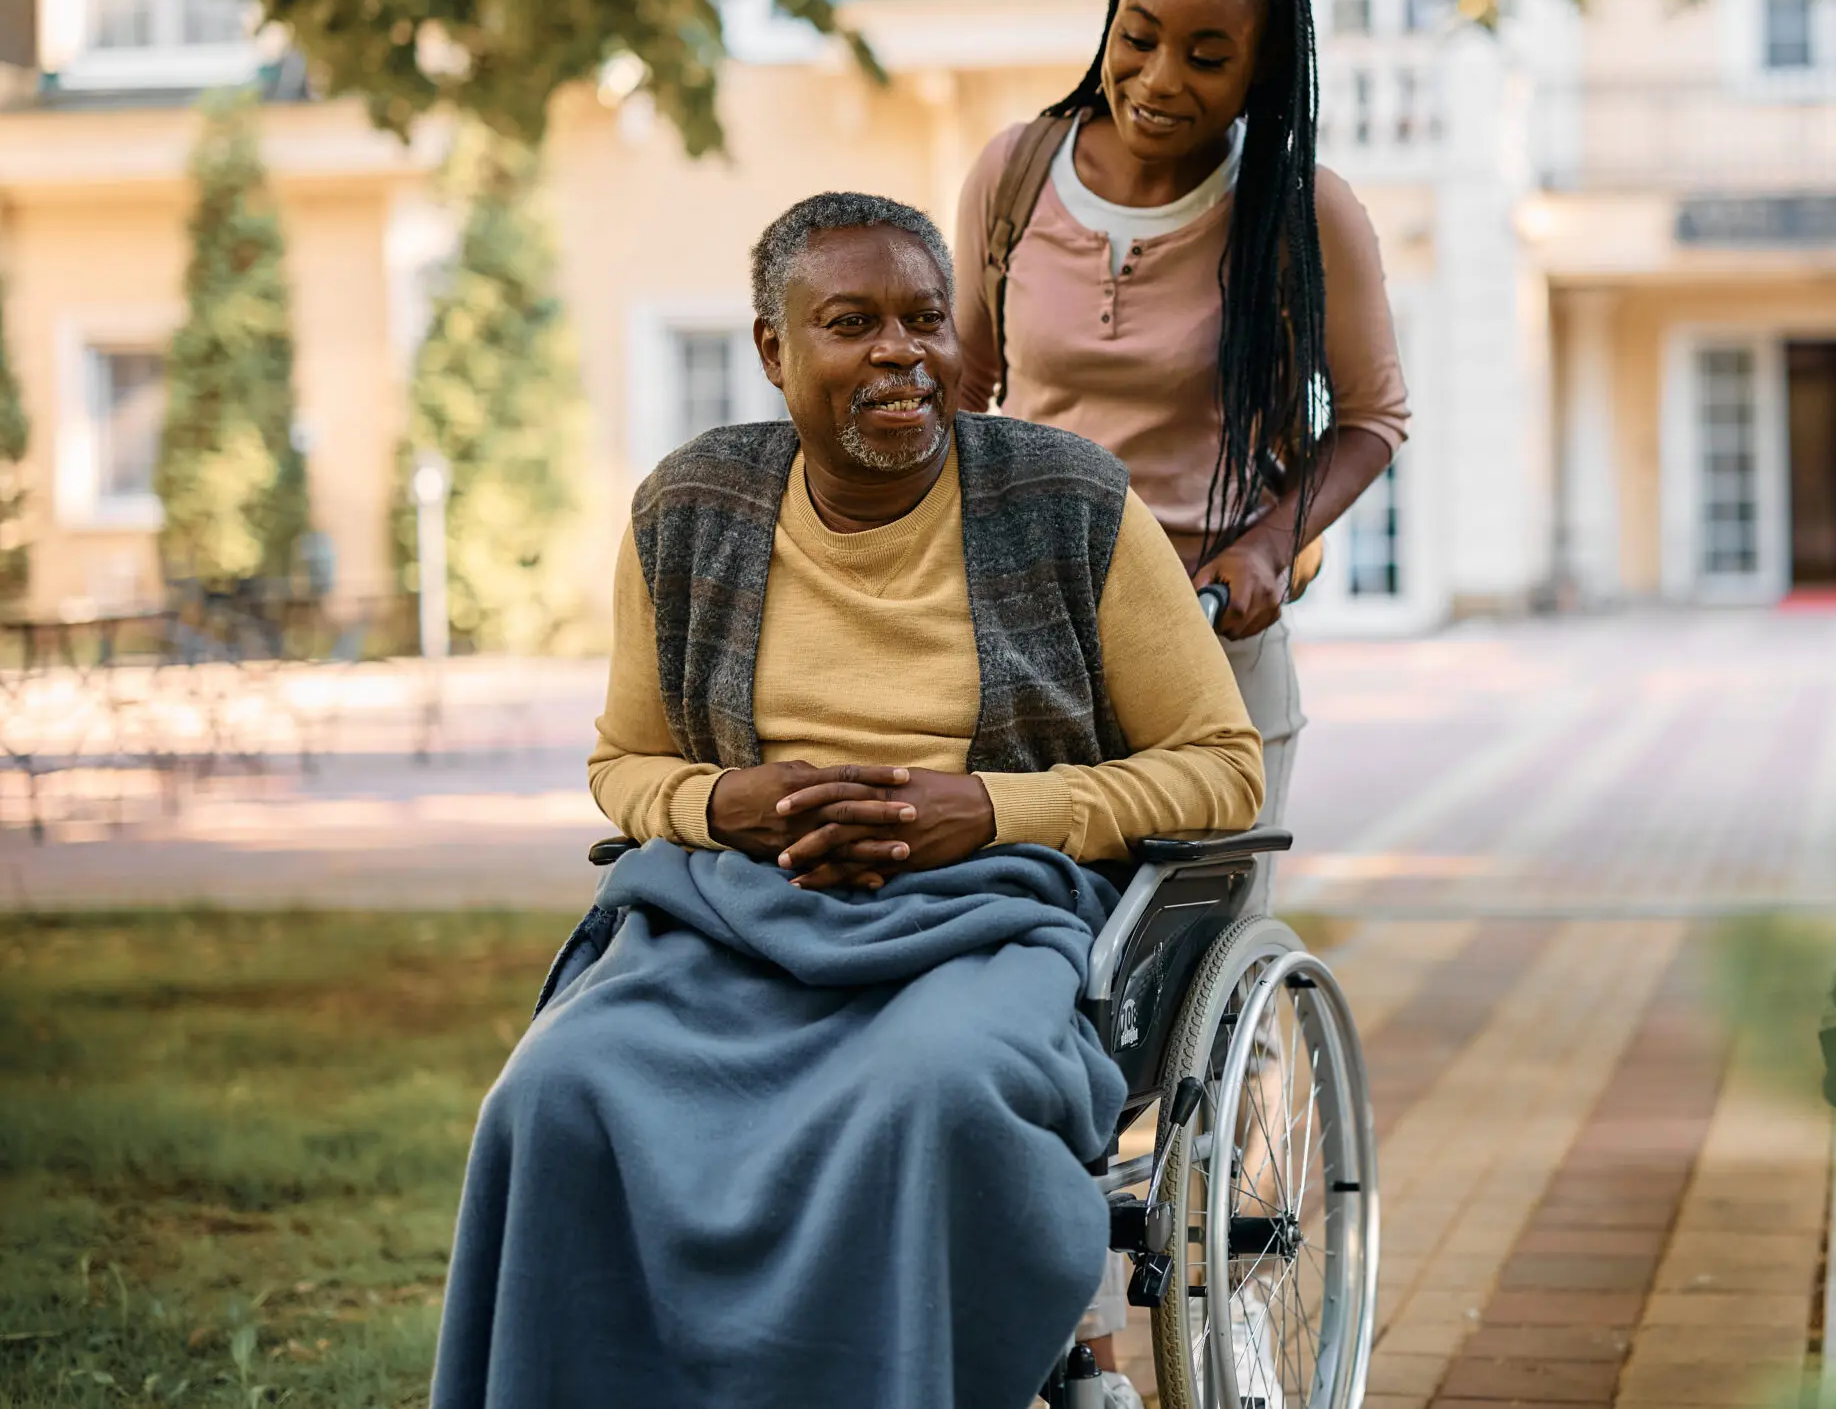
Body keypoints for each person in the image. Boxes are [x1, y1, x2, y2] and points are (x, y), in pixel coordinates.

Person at [430, 193, 1262, 1409]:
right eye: (851, 322)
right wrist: (733, 805)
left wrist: (986, 810)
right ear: (774, 350)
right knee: (554, 1093)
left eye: (925, 319)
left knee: (925, 1093)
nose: (899, 353)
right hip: (736, 918)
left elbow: (1221, 764)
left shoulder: (1067, 502)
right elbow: (622, 766)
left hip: (985, 921)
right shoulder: (692, 510)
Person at [957, 0, 1410, 835]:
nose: (1159, 81)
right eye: (1138, 38)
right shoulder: (1015, 173)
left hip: (1209, 639)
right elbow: (965, 386)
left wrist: (1267, 547)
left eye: (1208, 57)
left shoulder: (1302, 213)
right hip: (1031, 639)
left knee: (1188, 945)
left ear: (1261, 68)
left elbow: (1373, 418)